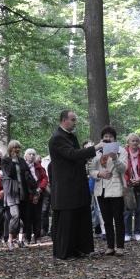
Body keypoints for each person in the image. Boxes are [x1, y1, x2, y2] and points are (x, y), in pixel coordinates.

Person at [48, 110, 103, 261]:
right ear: (64, 120)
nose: (75, 123)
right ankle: (65, 252)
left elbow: (77, 156)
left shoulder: (70, 136)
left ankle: (80, 248)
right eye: (73, 120)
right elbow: (72, 154)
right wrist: (95, 148)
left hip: (76, 184)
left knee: (80, 217)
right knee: (68, 220)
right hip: (66, 187)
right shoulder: (57, 138)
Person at [90, 126, 127, 256]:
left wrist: (115, 158)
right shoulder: (97, 152)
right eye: (105, 137)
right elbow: (91, 170)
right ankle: (110, 246)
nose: (108, 139)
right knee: (106, 220)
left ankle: (120, 247)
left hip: (116, 188)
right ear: (102, 139)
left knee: (118, 219)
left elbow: (124, 169)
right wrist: (99, 173)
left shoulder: (121, 151)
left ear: (115, 139)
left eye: (110, 137)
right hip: (101, 189)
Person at [1, 140, 36, 250]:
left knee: (23, 217)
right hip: (11, 193)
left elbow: (28, 174)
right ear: (10, 148)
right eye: (15, 147)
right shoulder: (5, 161)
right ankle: (10, 240)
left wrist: (34, 189)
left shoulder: (21, 160)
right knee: (15, 215)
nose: (17, 150)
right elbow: (9, 173)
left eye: (18, 148)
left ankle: (21, 240)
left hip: (23, 192)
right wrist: (13, 160)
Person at [25, 149, 48, 244]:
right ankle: (27, 237)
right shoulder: (23, 167)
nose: (32, 156)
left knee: (37, 216)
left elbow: (44, 178)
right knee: (27, 217)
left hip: (38, 194)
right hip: (27, 195)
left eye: (33, 154)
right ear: (25, 156)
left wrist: (40, 189)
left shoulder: (39, 167)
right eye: (29, 154)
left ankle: (37, 236)